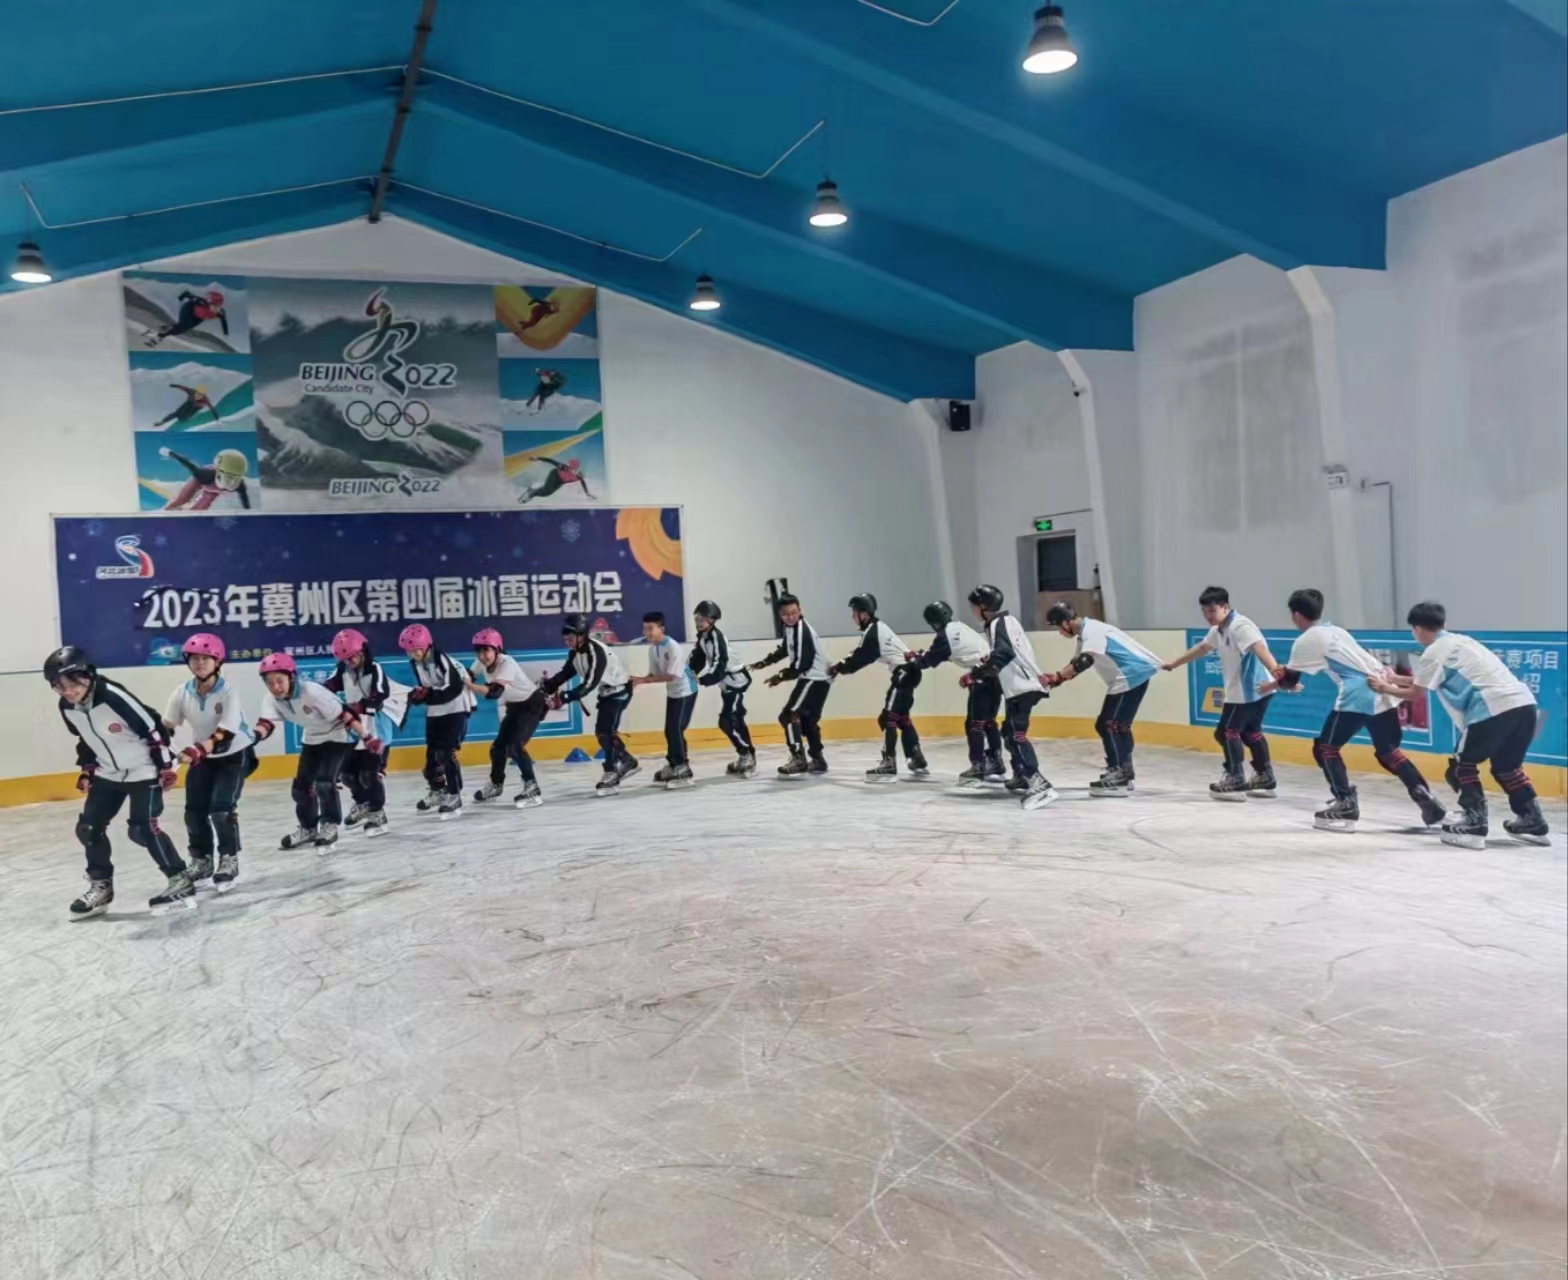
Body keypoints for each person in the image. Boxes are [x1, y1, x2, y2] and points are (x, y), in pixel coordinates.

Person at [1259, 589, 1446, 833]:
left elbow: (1289, 680)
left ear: (1296, 615)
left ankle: (1345, 802)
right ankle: (1425, 796)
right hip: (1382, 687)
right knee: (1388, 752)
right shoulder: (1336, 631)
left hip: (1359, 694)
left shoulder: (1306, 640)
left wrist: (1273, 682)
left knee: (1325, 748)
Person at [1369, 601, 1549, 849]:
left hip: (1492, 708)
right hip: (1524, 706)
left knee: (1463, 766)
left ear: (1417, 629)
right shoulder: (1462, 641)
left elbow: (1415, 693)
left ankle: (1474, 822)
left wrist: (1383, 687)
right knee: (1508, 767)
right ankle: (1532, 820)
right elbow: (1426, 680)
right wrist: (1395, 678)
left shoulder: (1434, 651)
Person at [48, 645, 196, 918]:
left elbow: (154, 729)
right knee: (88, 828)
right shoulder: (67, 706)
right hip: (109, 772)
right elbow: (86, 738)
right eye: (59, 686)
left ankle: (179, 878)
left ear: (88, 675)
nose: (68, 691)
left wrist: (166, 768)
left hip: (145, 769)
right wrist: (88, 770)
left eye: (73, 682)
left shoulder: (113, 696)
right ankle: (101, 886)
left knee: (142, 828)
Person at [1161, 586, 1283, 800]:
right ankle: (1264, 777)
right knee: (1250, 732)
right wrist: (1175, 663)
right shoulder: (1218, 629)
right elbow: (1203, 648)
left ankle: (1235, 779)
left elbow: (1259, 648)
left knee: (1227, 732)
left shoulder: (1240, 626)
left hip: (1248, 691)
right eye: (1204, 611)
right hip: (1250, 692)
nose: (1207, 616)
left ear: (1225, 607)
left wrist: (1277, 671)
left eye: (1212, 611)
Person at [254, 653, 380, 852]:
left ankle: (330, 825)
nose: (275, 687)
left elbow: (347, 715)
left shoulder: (311, 692)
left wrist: (366, 737)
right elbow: (266, 724)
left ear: (291, 677)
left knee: (324, 782)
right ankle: (309, 828)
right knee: (300, 787)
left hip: (338, 735)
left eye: (279, 681)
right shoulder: (271, 699)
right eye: (270, 683)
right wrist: (254, 737)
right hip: (313, 738)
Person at [163, 633, 256, 893]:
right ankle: (202, 861)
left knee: (221, 809)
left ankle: (228, 858)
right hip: (204, 758)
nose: (200, 663)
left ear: (218, 662)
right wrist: (160, 757)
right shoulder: (182, 692)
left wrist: (195, 750)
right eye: (194, 658)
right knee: (194, 812)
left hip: (235, 755)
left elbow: (225, 734)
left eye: (206, 658)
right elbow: (166, 727)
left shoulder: (228, 692)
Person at [1041, 603, 1163, 797]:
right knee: (1119, 726)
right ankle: (1124, 773)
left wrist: (1057, 678)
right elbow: (1075, 664)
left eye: (1058, 627)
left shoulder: (1092, 630)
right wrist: (1055, 681)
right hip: (1134, 675)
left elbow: (1084, 662)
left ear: (1066, 622)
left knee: (1109, 724)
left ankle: (1119, 776)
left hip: (1129, 675)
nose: (1059, 632)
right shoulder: (1086, 633)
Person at [965, 586, 1056, 810]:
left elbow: (1003, 653)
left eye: (974, 607)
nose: (973, 611)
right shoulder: (1004, 622)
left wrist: (977, 673)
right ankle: (1022, 775)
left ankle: (1037, 781)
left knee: (1016, 735)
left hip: (1023, 686)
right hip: (1020, 687)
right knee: (1009, 731)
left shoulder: (999, 623)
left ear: (983, 607)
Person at [827, 593, 928, 782]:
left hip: (904, 673)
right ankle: (916, 756)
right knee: (901, 717)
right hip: (910, 672)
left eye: (854, 612)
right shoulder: (875, 628)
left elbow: (860, 657)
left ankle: (889, 762)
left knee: (889, 717)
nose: (852, 616)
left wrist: (838, 668)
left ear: (864, 613)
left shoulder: (873, 632)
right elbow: (859, 653)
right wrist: (840, 666)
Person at [323, 629, 409, 836]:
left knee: (369, 775)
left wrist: (360, 705)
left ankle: (377, 813)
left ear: (363, 650)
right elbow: (330, 685)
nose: (350, 661)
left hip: (376, 731)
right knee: (347, 775)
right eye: (345, 658)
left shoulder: (375, 669)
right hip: (354, 731)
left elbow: (380, 694)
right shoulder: (344, 668)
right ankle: (363, 803)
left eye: (353, 656)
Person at [542, 613, 637, 796]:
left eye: (570, 639)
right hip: (607, 692)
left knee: (606, 732)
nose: (567, 642)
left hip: (620, 690)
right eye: (565, 639)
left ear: (581, 635)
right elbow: (565, 673)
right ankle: (626, 760)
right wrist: (548, 686)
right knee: (602, 733)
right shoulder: (575, 653)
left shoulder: (596, 652)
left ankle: (611, 771)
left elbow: (589, 684)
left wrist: (564, 697)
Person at [912, 600, 1001, 786]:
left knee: (974, 724)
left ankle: (977, 765)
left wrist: (915, 659)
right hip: (996, 675)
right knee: (988, 722)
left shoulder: (945, 636)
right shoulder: (959, 627)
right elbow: (947, 651)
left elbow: (930, 660)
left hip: (981, 678)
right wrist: (924, 654)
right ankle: (995, 761)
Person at [467, 627, 550, 810]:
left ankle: (532, 788)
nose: (482, 656)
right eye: (478, 651)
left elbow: (494, 693)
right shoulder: (481, 661)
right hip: (514, 707)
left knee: (514, 746)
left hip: (531, 705)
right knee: (498, 748)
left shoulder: (507, 664)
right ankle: (496, 785)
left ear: (497, 649)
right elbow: (467, 675)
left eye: (486, 650)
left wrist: (469, 686)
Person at [752, 593, 833, 778]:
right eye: (786, 614)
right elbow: (785, 649)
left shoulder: (802, 631)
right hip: (815, 678)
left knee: (789, 715)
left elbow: (801, 665)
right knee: (807, 720)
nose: (791, 617)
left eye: (794, 612)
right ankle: (818, 760)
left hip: (814, 678)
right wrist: (765, 662)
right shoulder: (790, 628)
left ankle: (798, 759)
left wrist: (780, 677)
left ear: (800, 610)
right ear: (780, 615)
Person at [399, 624, 475, 819]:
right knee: (432, 755)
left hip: (457, 706)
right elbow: (427, 688)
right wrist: (419, 697)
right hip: (436, 710)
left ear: (427, 646)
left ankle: (454, 794)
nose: (413, 654)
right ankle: (438, 789)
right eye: (409, 651)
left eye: (416, 650)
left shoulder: (441, 658)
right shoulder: (416, 663)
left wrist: (429, 695)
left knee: (446, 753)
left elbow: (455, 687)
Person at [630, 612, 699, 788]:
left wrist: (644, 680)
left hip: (686, 690)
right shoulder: (653, 649)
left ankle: (682, 768)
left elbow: (673, 676)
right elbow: (654, 674)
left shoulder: (673, 646)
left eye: (650, 629)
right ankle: (675, 764)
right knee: (670, 730)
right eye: (645, 629)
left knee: (675, 729)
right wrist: (636, 680)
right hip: (673, 692)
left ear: (662, 628)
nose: (647, 633)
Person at [690, 599, 756, 777]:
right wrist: (688, 672)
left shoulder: (716, 638)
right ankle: (747, 756)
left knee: (727, 721)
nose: (698, 622)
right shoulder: (703, 636)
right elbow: (698, 657)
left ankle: (746, 755)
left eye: (703, 619)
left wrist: (702, 680)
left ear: (712, 620)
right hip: (727, 683)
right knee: (736, 720)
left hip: (735, 682)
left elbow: (720, 664)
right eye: (697, 618)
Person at [160, 446, 251, 511]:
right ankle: (166, 510)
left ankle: (182, 507)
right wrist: (171, 453)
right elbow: (188, 464)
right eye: (229, 477)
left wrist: (248, 512)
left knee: (199, 510)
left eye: (235, 478)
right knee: (182, 500)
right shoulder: (205, 475)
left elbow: (245, 503)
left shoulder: (239, 485)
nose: (231, 482)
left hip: (211, 484)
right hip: (202, 480)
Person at [147, 288, 228, 346]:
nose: (217, 309)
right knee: (180, 328)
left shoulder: (219, 312)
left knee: (182, 327)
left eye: (219, 306)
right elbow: (187, 294)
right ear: (209, 304)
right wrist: (178, 299)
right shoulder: (200, 301)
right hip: (188, 310)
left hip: (197, 318)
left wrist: (226, 333)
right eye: (215, 306)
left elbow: (224, 321)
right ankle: (160, 336)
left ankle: (166, 327)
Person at [517, 456, 594, 505]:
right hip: (554, 475)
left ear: (576, 469)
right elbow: (551, 461)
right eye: (569, 468)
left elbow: (583, 482)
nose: (570, 470)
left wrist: (587, 493)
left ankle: (531, 491)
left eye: (573, 469)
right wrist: (537, 458)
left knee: (546, 494)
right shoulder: (562, 467)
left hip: (560, 482)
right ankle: (529, 495)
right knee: (546, 489)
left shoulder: (578, 476)